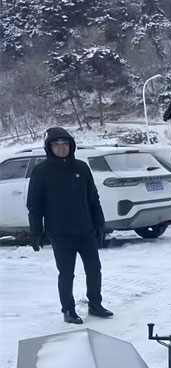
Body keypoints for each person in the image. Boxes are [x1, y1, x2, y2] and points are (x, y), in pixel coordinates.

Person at [27, 127, 114, 324]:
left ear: (71, 145)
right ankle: (68, 309)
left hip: (86, 230)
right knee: (66, 273)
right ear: (49, 147)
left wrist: (100, 224)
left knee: (94, 269)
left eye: (65, 144)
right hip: (60, 233)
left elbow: (93, 198)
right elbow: (34, 205)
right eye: (56, 145)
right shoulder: (41, 172)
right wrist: (36, 232)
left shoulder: (81, 168)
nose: (61, 148)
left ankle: (95, 304)